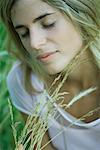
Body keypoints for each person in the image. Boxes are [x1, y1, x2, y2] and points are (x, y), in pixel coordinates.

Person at [0, 0, 100, 149]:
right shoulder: (24, 81)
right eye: (24, 33)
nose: (34, 43)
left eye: (48, 23)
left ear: (81, 14)